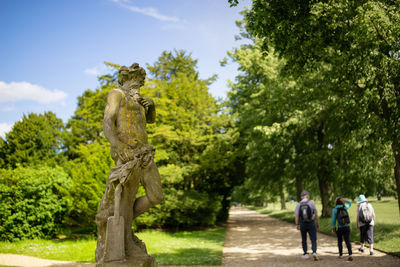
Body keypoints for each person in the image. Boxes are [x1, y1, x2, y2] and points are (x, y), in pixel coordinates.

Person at [295, 191, 320, 261]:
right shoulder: (311, 203)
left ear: (301, 196)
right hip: (311, 223)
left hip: (303, 223)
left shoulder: (299, 204)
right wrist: (318, 223)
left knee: (304, 239)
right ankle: (314, 252)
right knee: (313, 238)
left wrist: (297, 224)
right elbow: (316, 214)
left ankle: (305, 253)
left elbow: (297, 216)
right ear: (307, 196)